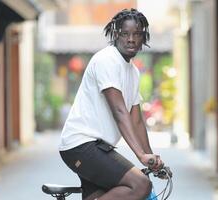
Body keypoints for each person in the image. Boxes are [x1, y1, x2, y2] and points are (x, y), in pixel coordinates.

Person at [59, 8, 164, 200]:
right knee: (140, 185)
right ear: (116, 35)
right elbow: (119, 111)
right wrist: (140, 155)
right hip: (82, 144)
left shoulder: (133, 72)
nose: (131, 39)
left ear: (144, 37)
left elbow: (136, 120)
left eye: (137, 34)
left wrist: (151, 158)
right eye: (125, 34)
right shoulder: (107, 60)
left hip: (99, 147)